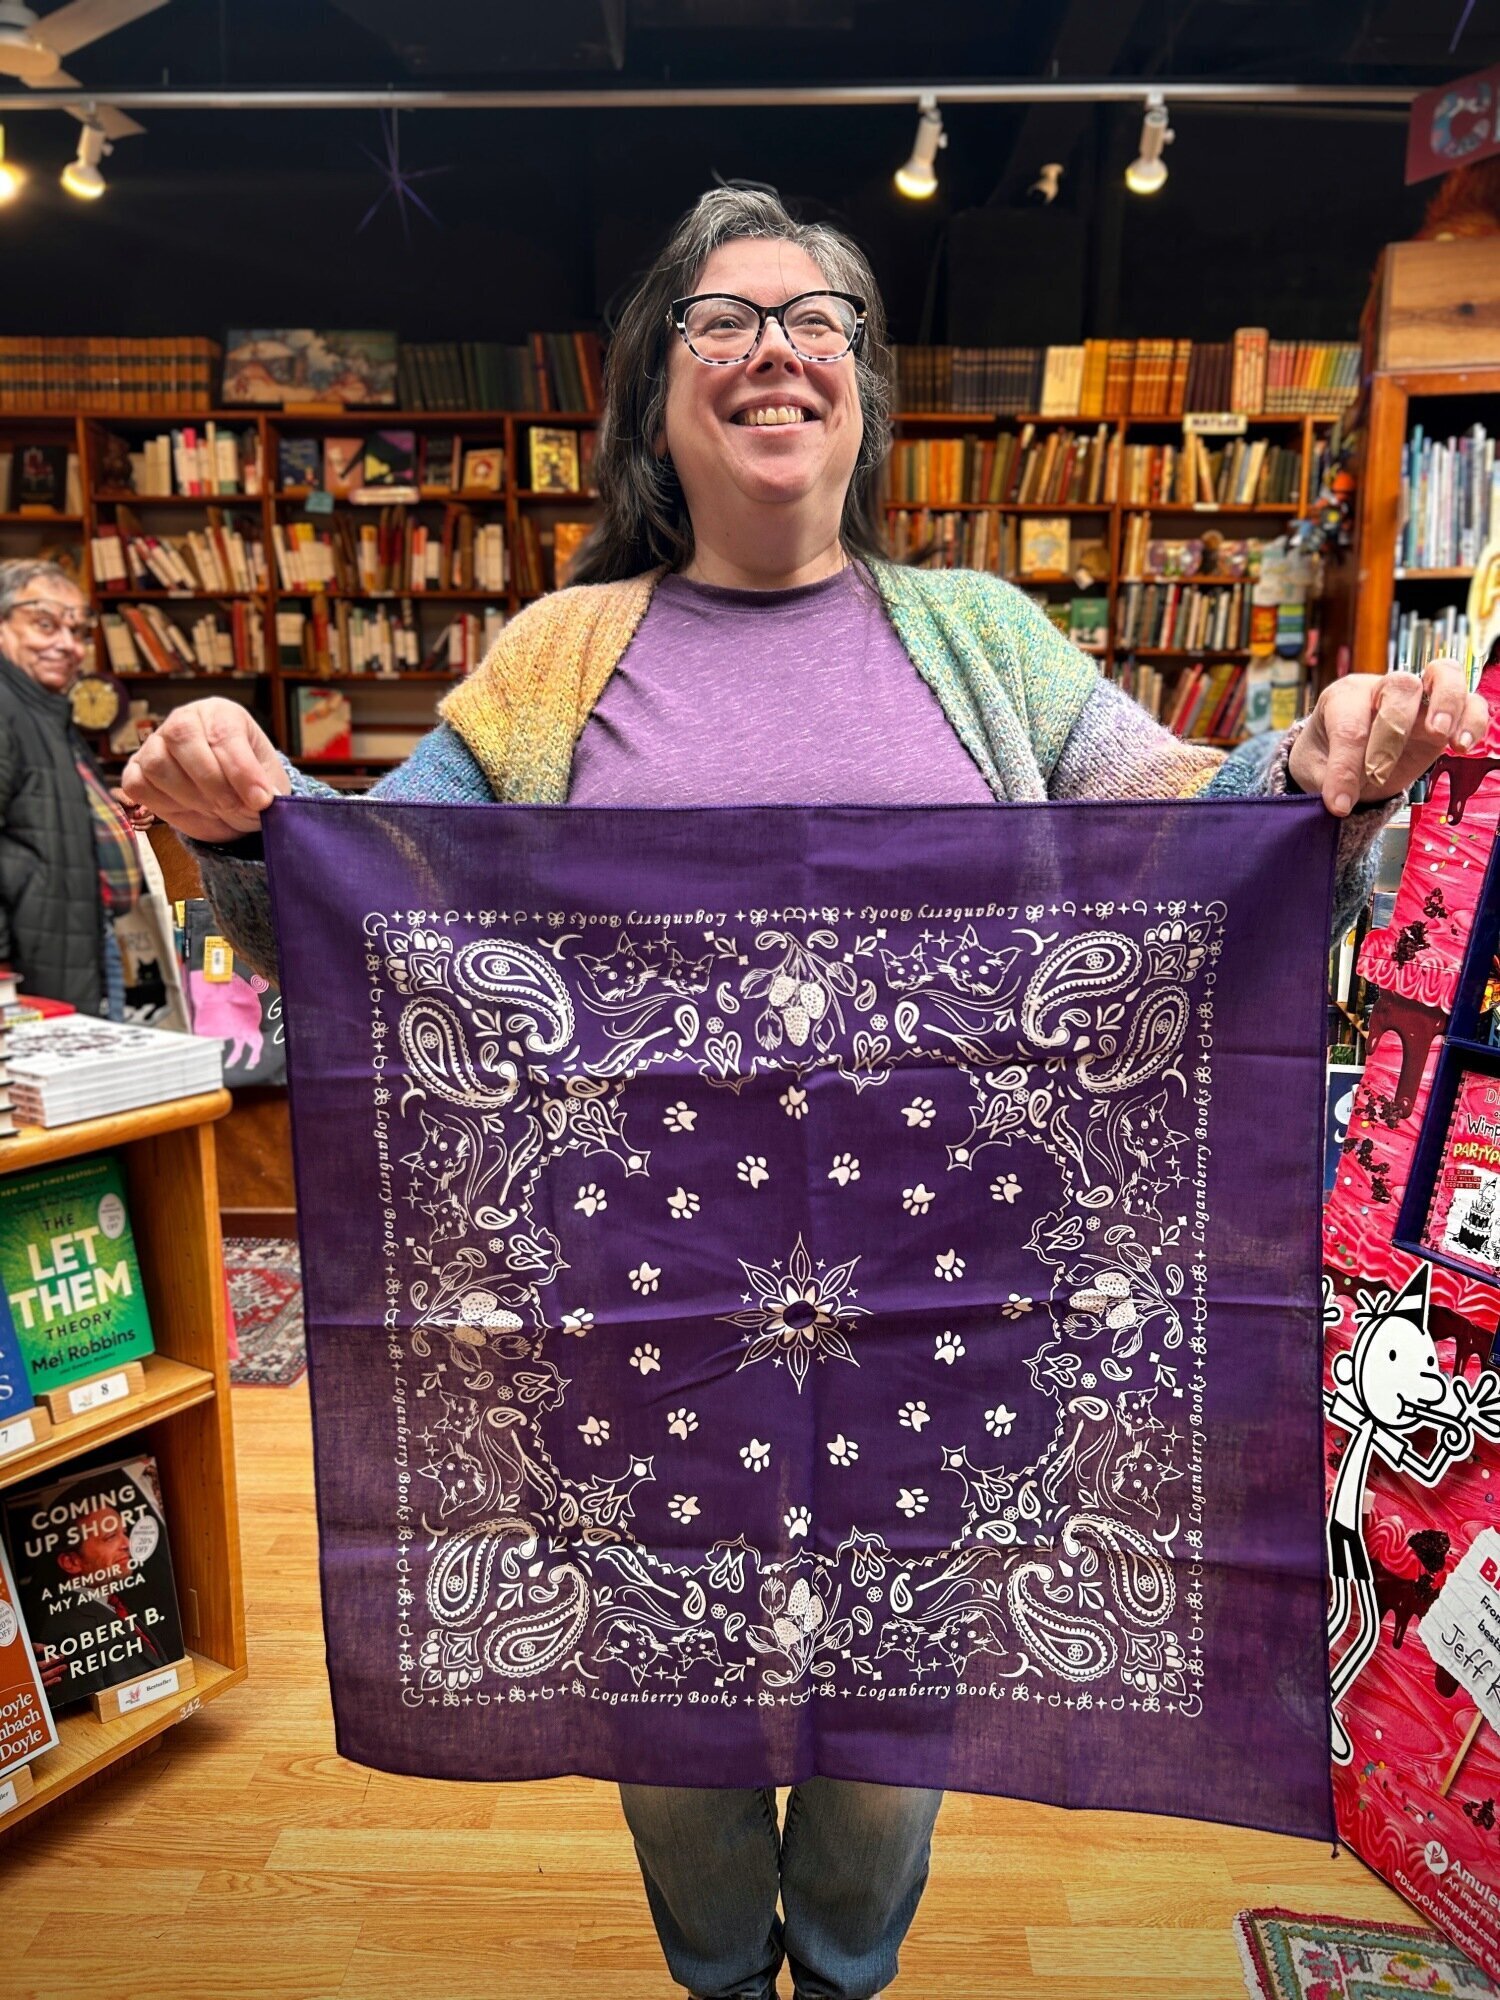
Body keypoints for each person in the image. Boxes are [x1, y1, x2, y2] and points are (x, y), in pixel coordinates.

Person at [120, 188, 1485, 2000]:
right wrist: (254, 795)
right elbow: (385, 883)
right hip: (632, 1313)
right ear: (656, 397)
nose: (776, 346)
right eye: (723, 318)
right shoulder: (556, 658)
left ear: (865, 380)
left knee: (885, 1725)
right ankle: (712, 1982)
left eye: (818, 314)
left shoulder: (987, 640)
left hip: (942, 1311)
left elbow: (1186, 820)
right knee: (668, 1714)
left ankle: (841, 1978)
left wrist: (1312, 761)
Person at [0, 558, 142, 1016]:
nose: (68, 645)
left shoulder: (43, 708)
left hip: (77, 945)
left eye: (78, 632)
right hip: (27, 970)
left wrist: (105, 807)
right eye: (45, 625)